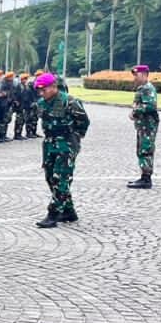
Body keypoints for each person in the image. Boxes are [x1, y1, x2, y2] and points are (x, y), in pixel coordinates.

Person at [33, 71, 90, 228]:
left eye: (44, 89)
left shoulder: (70, 102)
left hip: (66, 143)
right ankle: (68, 211)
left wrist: (75, 138)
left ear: (53, 87)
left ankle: (53, 213)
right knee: (50, 177)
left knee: (61, 178)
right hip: (50, 144)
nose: (41, 92)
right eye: (39, 90)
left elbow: (83, 121)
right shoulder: (42, 103)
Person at [128, 64, 158, 189]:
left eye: (136, 75)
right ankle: (144, 176)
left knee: (145, 150)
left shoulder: (147, 88)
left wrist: (135, 112)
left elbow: (150, 106)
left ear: (144, 74)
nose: (135, 77)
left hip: (147, 126)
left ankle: (146, 179)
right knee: (141, 149)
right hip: (143, 125)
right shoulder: (142, 88)